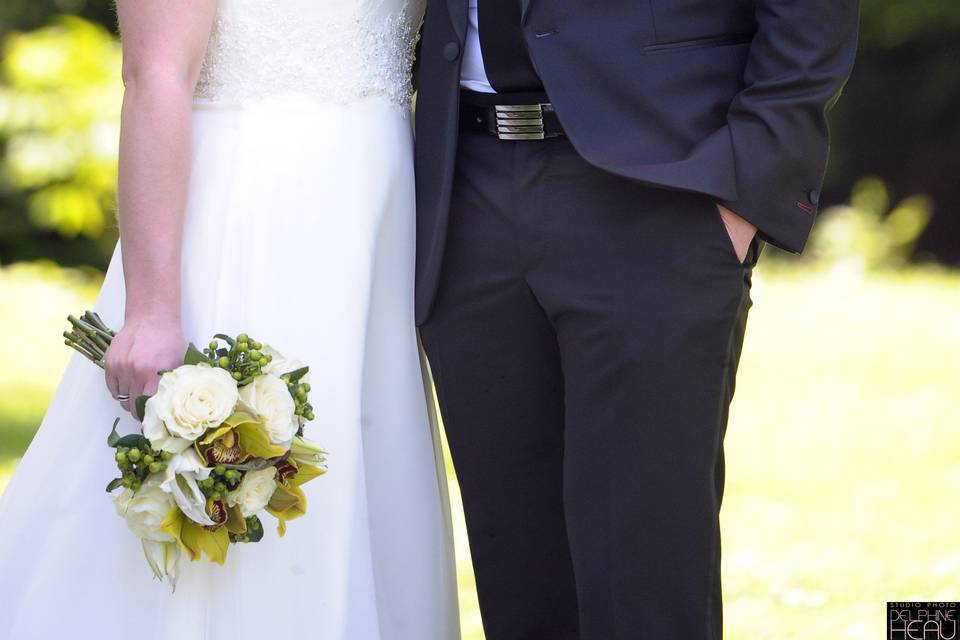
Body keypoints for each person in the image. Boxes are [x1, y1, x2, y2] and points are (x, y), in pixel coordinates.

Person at [0, 1, 459, 638]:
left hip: (372, 224)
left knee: (356, 491)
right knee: (230, 499)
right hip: (248, 217)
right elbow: (154, 73)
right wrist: (153, 308)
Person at [415, 0, 859, 638]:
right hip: (467, 187)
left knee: (647, 567)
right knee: (518, 564)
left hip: (662, 194)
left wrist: (745, 192)